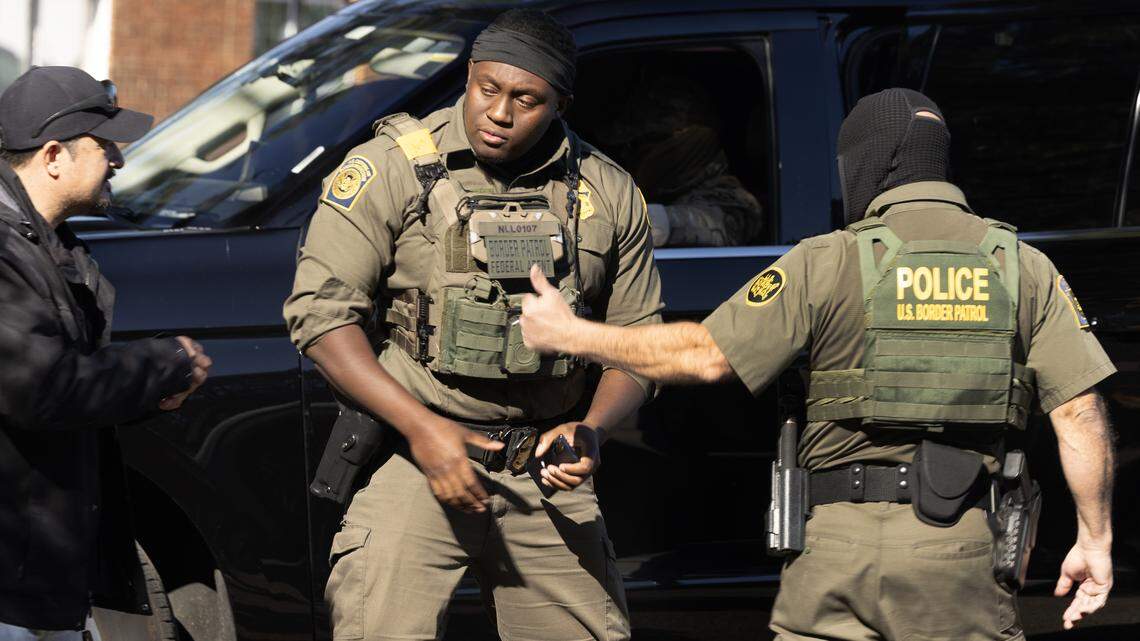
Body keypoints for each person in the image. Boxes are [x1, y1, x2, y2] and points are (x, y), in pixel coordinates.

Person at [520, 88, 1115, 640]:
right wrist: (1095, 538)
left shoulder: (825, 261)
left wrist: (573, 333)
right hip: (960, 547)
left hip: (834, 550)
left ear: (867, 164)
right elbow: (1079, 413)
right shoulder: (1024, 268)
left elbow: (703, 356)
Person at [283, 9, 661, 640]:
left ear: (560, 104)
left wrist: (593, 429)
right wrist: (421, 427)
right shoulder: (389, 168)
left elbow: (637, 343)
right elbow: (320, 318)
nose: (500, 113)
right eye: (488, 89)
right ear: (468, 77)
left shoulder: (608, 193)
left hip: (544, 468)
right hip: (417, 456)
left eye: (526, 100)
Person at [0, 67, 213, 639]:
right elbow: (42, 390)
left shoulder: (51, 249)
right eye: (105, 145)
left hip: (39, 579)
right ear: (53, 156)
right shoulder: (5, 254)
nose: (118, 160)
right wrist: (161, 364)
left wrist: (152, 390)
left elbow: (70, 390)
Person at [595, 68, 763, 247]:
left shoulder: (731, 199)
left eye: (637, 145)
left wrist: (638, 221)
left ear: (687, 140)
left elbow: (715, 223)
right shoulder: (650, 191)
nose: (627, 156)